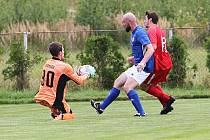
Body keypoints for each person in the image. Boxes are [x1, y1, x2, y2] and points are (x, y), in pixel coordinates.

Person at [90, 12, 154, 117]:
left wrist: (142, 63)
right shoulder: (134, 33)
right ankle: (101, 107)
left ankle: (141, 113)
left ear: (129, 22)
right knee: (118, 82)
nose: (122, 25)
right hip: (137, 65)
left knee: (127, 87)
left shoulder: (140, 33)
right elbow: (142, 50)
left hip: (144, 68)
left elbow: (150, 49)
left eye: (123, 22)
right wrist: (134, 58)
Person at [34, 42, 93, 120]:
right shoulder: (65, 66)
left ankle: (56, 113)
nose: (64, 52)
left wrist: (77, 73)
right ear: (60, 53)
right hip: (55, 99)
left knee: (60, 112)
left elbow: (60, 77)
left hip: (43, 96)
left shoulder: (47, 63)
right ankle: (57, 117)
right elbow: (79, 81)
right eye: (63, 50)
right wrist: (86, 74)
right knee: (70, 116)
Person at [141, 11, 175, 115]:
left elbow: (154, 47)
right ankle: (166, 106)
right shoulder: (159, 30)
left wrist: (143, 59)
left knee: (143, 85)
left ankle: (167, 99)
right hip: (166, 61)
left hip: (159, 63)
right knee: (153, 84)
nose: (144, 21)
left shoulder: (151, 29)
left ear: (150, 20)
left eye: (145, 19)